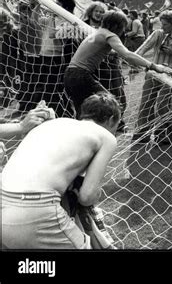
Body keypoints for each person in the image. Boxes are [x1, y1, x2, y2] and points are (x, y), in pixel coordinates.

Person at [1, 92, 121, 249]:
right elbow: (86, 196)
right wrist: (92, 194)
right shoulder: (106, 137)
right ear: (111, 119)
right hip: (37, 210)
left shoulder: (52, 124)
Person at [64, 10, 172, 117]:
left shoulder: (98, 32)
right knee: (110, 104)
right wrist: (153, 66)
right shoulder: (110, 35)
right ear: (117, 26)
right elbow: (127, 54)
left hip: (69, 75)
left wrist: (116, 54)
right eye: (123, 27)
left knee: (83, 112)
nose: (123, 31)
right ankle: (108, 129)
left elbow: (105, 51)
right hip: (81, 75)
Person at [133, 10, 172, 145]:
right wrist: (136, 60)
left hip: (170, 75)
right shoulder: (158, 34)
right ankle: (142, 134)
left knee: (163, 104)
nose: (162, 27)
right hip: (153, 72)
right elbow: (143, 48)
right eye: (162, 24)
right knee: (146, 102)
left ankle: (164, 135)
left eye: (166, 25)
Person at [83, 2, 128, 131]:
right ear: (91, 12)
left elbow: (121, 45)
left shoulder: (112, 28)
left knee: (118, 91)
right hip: (94, 66)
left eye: (102, 12)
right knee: (100, 95)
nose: (99, 14)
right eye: (96, 11)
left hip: (111, 64)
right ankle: (100, 121)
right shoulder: (82, 25)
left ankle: (118, 120)